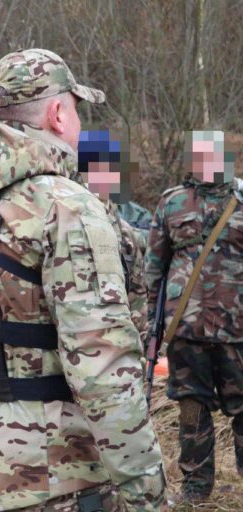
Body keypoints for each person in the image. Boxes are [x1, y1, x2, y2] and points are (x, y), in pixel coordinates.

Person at [0, 49, 166, 511]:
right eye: (77, 110)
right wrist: (147, 491)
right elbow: (103, 368)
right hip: (54, 481)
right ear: (57, 113)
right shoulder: (66, 207)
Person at [145, 130, 243, 501]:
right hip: (186, 330)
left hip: (238, 331)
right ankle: (196, 491)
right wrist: (149, 327)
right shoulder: (172, 203)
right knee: (190, 411)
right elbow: (154, 268)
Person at [78, 129, 150, 346]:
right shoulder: (64, 217)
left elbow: (138, 297)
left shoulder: (129, 225)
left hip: (120, 339)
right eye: (95, 167)